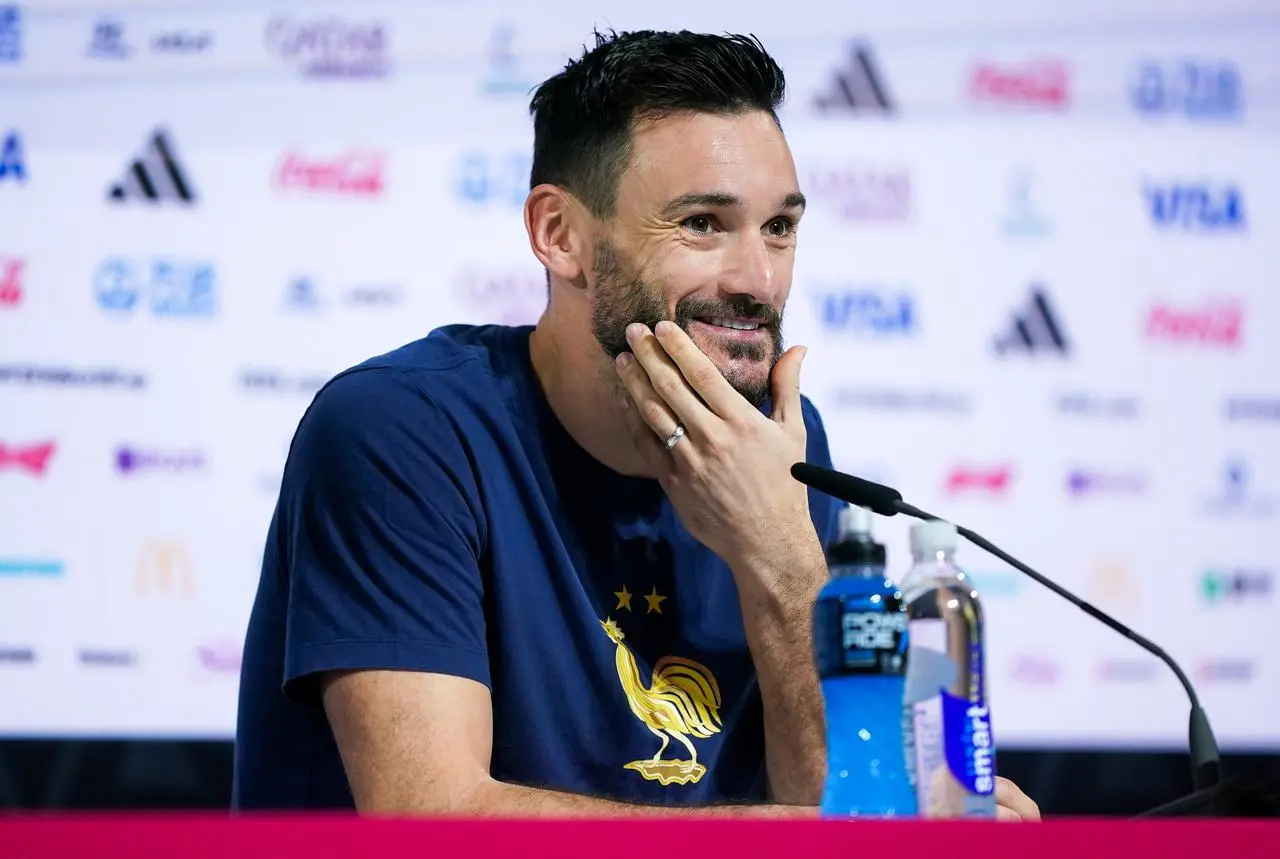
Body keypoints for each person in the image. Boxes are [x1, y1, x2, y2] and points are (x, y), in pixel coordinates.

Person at [232, 29, 1040, 821]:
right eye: (702, 224)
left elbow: (841, 802)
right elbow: (427, 813)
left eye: (780, 228)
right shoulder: (399, 428)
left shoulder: (781, 442)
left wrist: (782, 552)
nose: (758, 279)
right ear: (561, 236)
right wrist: (781, 832)